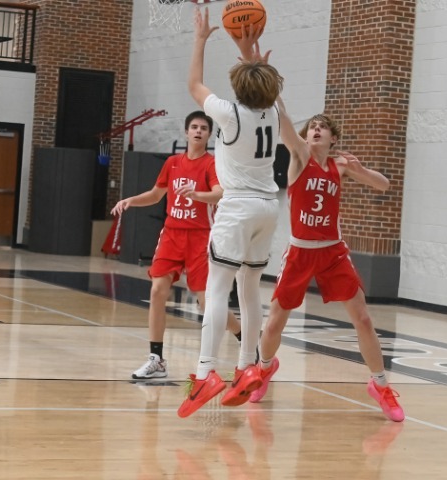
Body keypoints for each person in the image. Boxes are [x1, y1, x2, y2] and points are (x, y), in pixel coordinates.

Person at [249, 102, 405, 422]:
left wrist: (362, 170)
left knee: (363, 318)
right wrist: (275, 95)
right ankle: (264, 368)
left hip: (333, 252)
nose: (316, 130)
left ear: (334, 138)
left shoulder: (340, 165)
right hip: (300, 251)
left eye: (322, 127)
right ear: (306, 137)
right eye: (312, 127)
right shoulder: (299, 156)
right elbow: (285, 125)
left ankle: (380, 385)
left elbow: (384, 184)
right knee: (275, 322)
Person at [177, 10, 284, 418]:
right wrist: (251, 52)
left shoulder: (229, 114)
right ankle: (246, 367)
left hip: (237, 207)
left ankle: (206, 372)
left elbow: (194, 85)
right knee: (251, 290)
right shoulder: (273, 113)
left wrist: (201, 39)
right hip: (268, 208)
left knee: (218, 288)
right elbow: (263, 85)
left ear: (239, 86)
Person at [111, 110, 242, 380]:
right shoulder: (172, 163)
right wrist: (131, 201)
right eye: (194, 127)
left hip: (200, 238)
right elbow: (156, 194)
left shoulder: (211, 164)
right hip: (172, 235)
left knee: (208, 304)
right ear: (186, 132)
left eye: (203, 128)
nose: (198, 131)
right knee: (158, 290)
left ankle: (246, 338)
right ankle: (156, 360)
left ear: (209, 134)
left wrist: (197, 195)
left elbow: (220, 193)